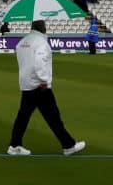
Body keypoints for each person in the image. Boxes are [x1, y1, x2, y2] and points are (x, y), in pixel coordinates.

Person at [7, 20, 85, 156]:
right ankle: (68, 145)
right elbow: (39, 62)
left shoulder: (22, 42)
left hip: (26, 84)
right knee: (53, 116)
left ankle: (14, 145)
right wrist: (43, 79)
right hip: (39, 85)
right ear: (44, 29)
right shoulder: (42, 43)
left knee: (23, 117)